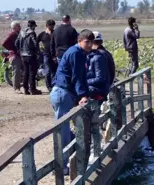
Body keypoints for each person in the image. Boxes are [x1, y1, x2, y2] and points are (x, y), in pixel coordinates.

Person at [50, 29, 94, 175]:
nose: (89, 45)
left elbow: (79, 76)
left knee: (66, 132)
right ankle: (60, 168)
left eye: (91, 42)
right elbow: (77, 76)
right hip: (63, 94)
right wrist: (83, 95)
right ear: (79, 41)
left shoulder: (76, 52)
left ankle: (71, 157)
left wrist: (84, 93)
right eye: (87, 42)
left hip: (61, 93)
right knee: (62, 133)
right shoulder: (76, 53)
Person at [15, 20, 42, 95]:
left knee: (26, 72)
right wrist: (38, 52)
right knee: (32, 72)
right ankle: (33, 89)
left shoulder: (21, 32)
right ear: (32, 26)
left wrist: (20, 51)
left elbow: (16, 43)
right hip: (31, 55)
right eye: (34, 26)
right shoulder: (32, 33)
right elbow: (35, 43)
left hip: (23, 55)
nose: (35, 28)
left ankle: (25, 89)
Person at [87, 33, 111, 105]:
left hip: (99, 88)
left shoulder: (98, 56)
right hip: (105, 85)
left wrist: (85, 82)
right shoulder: (105, 53)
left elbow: (100, 78)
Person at [2, 21, 22, 94]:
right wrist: (13, 49)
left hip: (20, 55)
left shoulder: (18, 34)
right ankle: (16, 88)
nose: (20, 27)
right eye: (18, 26)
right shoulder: (11, 34)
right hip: (14, 55)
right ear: (15, 27)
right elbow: (4, 43)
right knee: (16, 71)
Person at [38, 19, 57, 92]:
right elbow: (36, 41)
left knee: (54, 71)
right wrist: (39, 50)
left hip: (54, 55)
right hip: (46, 54)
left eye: (53, 26)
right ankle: (49, 86)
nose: (52, 27)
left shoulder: (55, 33)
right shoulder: (42, 34)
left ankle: (54, 85)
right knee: (48, 71)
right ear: (47, 26)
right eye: (50, 26)